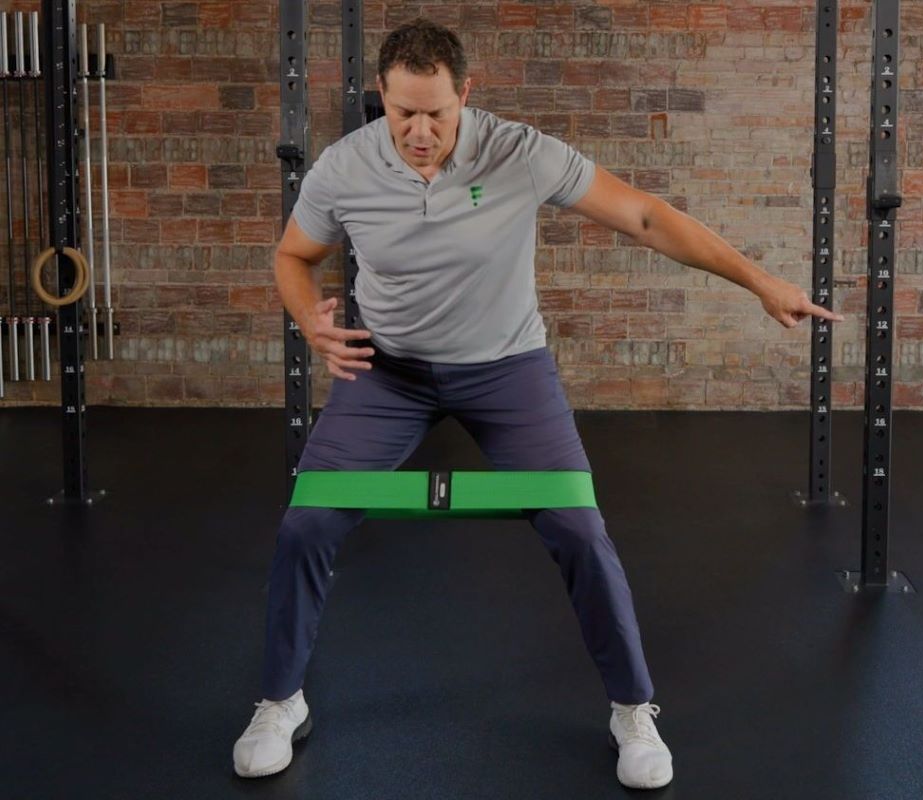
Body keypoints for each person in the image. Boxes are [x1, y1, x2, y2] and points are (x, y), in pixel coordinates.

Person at [232, 18, 841, 790]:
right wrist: (307, 316)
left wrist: (761, 281)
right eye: (402, 113)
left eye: (437, 114)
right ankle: (279, 699)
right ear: (379, 97)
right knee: (306, 522)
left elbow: (646, 216)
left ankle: (631, 708)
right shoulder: (343, 168)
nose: (419, 132)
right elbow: (294, 256)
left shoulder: (518, 152)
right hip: (386, 372)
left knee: (579, 530)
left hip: (505, 370)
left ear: (466, 97)